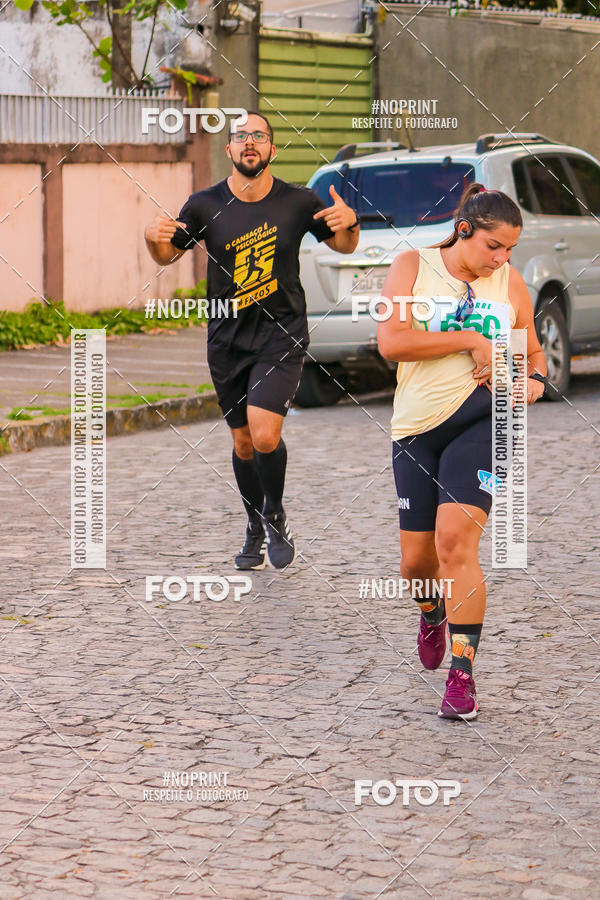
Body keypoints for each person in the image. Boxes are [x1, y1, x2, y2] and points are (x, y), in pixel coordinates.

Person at [144, 111, 359, 569]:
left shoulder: (299, 202)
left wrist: (351, 223)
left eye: (258, 136)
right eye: (240, 136)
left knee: (264, 433)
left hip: (280, 335)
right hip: (226, 340)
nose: (249, 142)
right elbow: (167, 255)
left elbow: (343, 246)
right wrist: (152, 239)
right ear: (229, 149)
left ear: (271, 149)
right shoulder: (203, 205)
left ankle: (276, 512)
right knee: (242, 442)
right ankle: (254, 525)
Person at [377, 183, 547, 720]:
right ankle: (431, 612)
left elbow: (534, 353)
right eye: (495, 247)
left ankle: (462, 676)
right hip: (416, 425)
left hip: (486, 420)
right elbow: (393, 342)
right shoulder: (412, 266)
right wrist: (472, 341)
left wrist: (534, 384)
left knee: (456, 544)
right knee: (417, 564)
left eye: (511, 250)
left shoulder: (509, 283)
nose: (502, 259)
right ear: (466, 231)